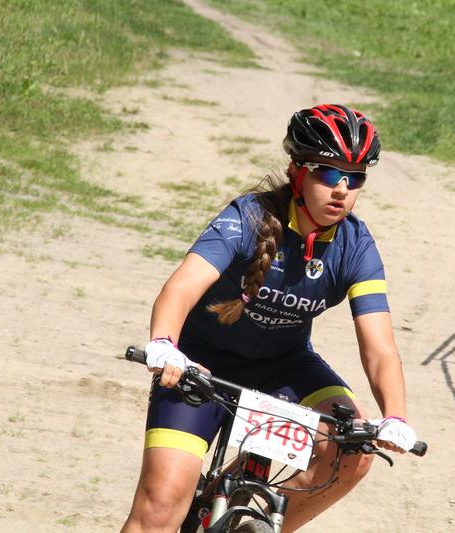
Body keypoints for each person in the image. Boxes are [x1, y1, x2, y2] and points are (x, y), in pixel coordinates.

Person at [122, 104, 417, 532]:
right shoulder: (246, 217)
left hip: (286, 366)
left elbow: (380, 348)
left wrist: (396, 415)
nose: (342, 190)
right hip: (201, 363)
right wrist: (165, 343)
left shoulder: (356, 245)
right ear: (297, 171)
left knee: (353, 451)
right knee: (157, 512)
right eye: (328, 173)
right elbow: (181, 288)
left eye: (355, 178)